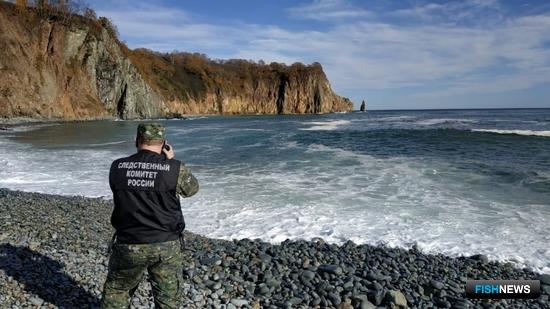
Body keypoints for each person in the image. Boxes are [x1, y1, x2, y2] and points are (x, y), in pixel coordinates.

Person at [101, 123, 199, 309]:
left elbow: (118, 189)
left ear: (137, 141)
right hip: (165, 244)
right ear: (163, 144)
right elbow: (192, 189)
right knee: (168, 298)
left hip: (129, 242)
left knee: (118, 291)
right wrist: (169, 161)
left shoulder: (117, 167)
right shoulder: (174, 169)